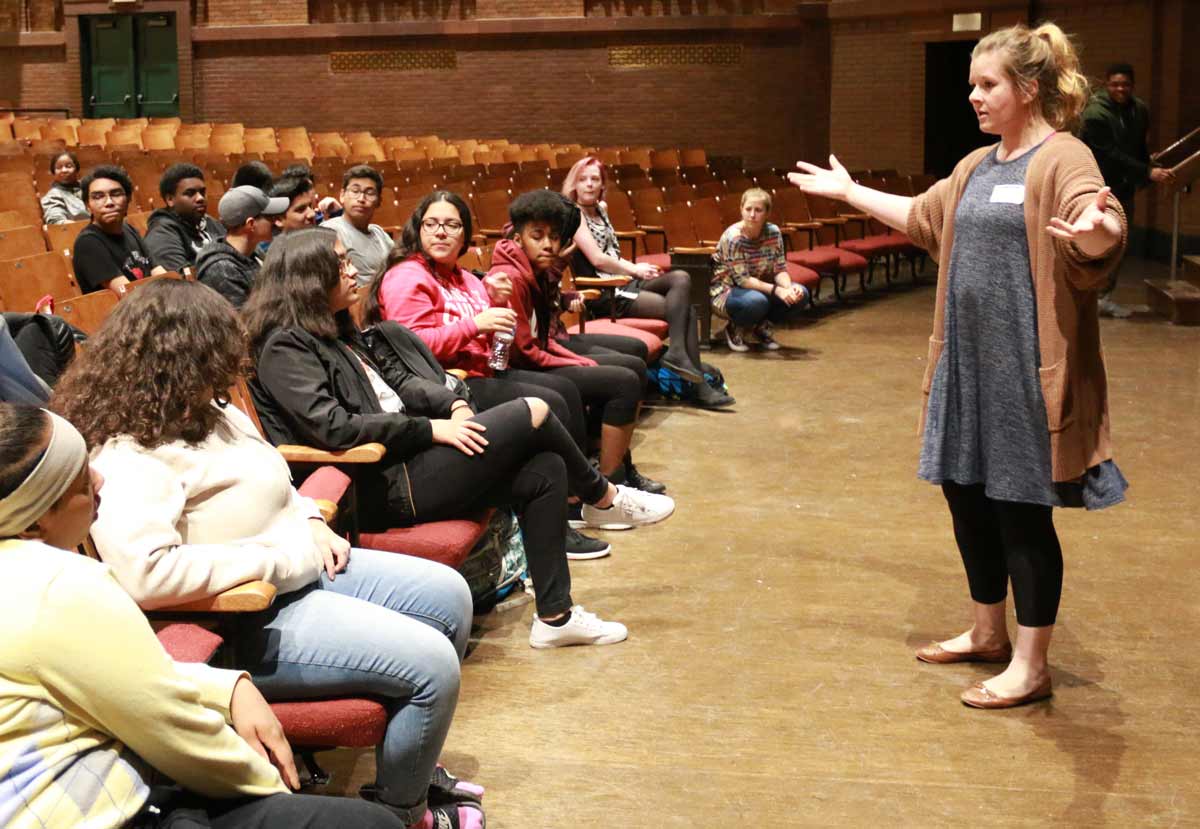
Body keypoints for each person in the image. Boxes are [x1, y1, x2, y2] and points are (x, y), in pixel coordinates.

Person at [51, 280, 485, 828]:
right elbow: (146, 574)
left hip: (298, 564)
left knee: (450, 596)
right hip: (242, 616)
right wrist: (276, 557)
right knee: (431, 664)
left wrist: (307, 519)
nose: (234, 364)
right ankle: (403, 811)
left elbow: (277, 478)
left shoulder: (209, 410)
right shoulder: (131, 451)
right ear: (182, 358)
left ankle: (414, 767)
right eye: (219, 352)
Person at [790, 22, 1128, 709]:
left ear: (1028, 88)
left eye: (988, 84)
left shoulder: (1063, 159)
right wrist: (851, 191)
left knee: (1020, 509)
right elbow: (923, 217)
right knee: (967, 495)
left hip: (1027, 372)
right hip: (965, 365)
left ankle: (1031, 664)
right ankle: (987, 630)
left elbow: (1100, 221)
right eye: (972, 84)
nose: (973, 96)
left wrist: (1097, 234)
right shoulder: (977, 166)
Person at [244, 228, 675, 645]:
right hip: (376, 482)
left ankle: (555, 617)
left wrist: (452, 405)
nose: (353, 269)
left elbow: (400, 386)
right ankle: (602, 498)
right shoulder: (286, 347)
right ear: (308, 278)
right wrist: (431, 429)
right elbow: (333, 428)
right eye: (339, 264)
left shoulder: (335, 329)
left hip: (407, 459)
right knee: (534, 411)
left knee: (544, 469)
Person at [0, 402, 408, 828]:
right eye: (81, 481)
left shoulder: (32, 572)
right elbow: (167, 723)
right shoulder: (60, 584)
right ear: (31, 523)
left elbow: (121, 674)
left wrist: (228, 686)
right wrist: (273, 786)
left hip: (126, 775)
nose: (100, 479)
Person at [361, 191, 625, 557]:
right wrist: (476, 324)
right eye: (431, 224)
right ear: (418, 230)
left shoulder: (466, 278)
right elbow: (412, 349)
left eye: (452, 225)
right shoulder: (407, 276)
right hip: (442, 386)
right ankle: (571, 512)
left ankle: (571, 506)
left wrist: (494, 303)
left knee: (564, 390)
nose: (441, 233)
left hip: (480, 373)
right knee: (551, 400)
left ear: (465, 234)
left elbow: (495, 331)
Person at [495, 189, 665, 493]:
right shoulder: (513, 276)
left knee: (632, 367)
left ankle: (611, 467)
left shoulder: (534, 267)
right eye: (538, 236)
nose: (549, 244)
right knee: (623, 380)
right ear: (519, 239)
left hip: (540, 353)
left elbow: (542, 335)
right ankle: (609, 483)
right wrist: (571, 360)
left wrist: (571, 358)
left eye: (555, 236)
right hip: (521, 367)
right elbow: (524, 350)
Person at [563, 156, 734, 409]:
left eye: (595, 179)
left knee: (680, 278)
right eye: (583, 179)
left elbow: (611, 252)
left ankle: (679, 357)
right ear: (574, 184)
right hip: (605, 293)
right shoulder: (573, 214)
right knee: (685, 310)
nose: (589, 184)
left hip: (623, 282)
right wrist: (635, 268)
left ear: (602, 184)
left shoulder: (602, 209)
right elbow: (598, 260)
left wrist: (632, 272)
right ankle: (696, 383)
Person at [1079, 62, 1175, 318]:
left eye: (1125, 84)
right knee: (1097, 241)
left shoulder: (1139, 110)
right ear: (1106, 84)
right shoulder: (1095, 114)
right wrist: (1146, 172)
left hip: (1124, 187)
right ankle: (1091, 296)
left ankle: (1103, 296)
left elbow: (1137, 146)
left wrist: (1147, 164)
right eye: (1115, 84)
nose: (1120, 89)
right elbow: (1108, 154)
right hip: (1098, 186)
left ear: (1132, 86)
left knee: (1119, 242)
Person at [711, 188, 810, 352]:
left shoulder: (773, 232)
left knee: (801, 294)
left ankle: (760, 328)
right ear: (741, 209)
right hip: (725, 291)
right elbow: (743, 280)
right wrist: (778, 291)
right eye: (748, 209)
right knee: (757, 301)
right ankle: (734, 327)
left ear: (767, 213)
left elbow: (779, 269)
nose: (752, 215)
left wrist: (789, 288)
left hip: (758, 288)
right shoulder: (733, 237)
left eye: (758, 210)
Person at [72, 165, 167, 295]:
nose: (109, 202)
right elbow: (126, 293)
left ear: (128, 199)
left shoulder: (129, 229)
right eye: (98, 197)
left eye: (116, 194)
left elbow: (157, 271)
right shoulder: (88, 243)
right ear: (88, 205)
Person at [196, 185, 288, 307]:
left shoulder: (254, 252)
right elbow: (243, 322)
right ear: (251, 224)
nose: (278, 223)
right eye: (271, 218)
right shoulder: (222, 270)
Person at [144, 162, 228, 273]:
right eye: (190, 193)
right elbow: (182, 280)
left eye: (202, 192)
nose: (200, 198)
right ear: (170, 199)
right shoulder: (161, 232)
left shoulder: (209, 222)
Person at [321, 164, 395, 282]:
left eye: (369, 193)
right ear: (342, 195)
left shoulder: (379, 232)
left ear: (379, 202)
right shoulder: (330, 230)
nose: (361, 199)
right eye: (355, 191)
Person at [40, 151, 89, 224]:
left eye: (68, 166)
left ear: (77, 169)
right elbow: (56, 222)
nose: (64, 170)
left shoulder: (89, 187)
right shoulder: (52, 196)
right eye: (59, 167)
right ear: (54, 173)